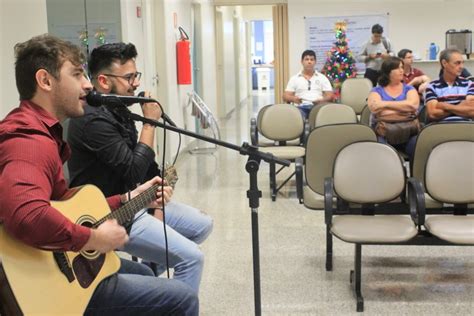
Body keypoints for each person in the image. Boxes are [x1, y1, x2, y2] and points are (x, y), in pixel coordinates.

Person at [0, 34, 198, 315]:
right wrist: (90, 239)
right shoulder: (29, 140)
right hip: (42, 279)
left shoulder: (44, 131)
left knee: (145, 276)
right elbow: (26, 214)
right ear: (45, 81)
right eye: (77, 74)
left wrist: (129, 198)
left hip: (56, 259)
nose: (87, 84)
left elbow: (63, 208)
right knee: (182, 297)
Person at [67, 42, 213, 294]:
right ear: (103, 81)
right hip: (114, 214)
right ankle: (175, 304)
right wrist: (150, 124)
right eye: (129, 77)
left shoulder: (118, 109)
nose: (136, 83)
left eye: (136, 75)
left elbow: (145, 167)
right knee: (192, 259)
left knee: (202, 225)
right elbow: (133, 170)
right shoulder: (93, 120)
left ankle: (151, 278)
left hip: (137, 203)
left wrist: (157, 199)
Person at [367, 56, 420, 157]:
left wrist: (384, 104)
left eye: (402, 67)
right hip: (384, 133)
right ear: (388, 72)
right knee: (382, 151)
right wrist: (404, 109)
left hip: (409, 132)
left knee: (417, 146)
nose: (401, 70)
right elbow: (374, 109)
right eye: (397, 68)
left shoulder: (409, 88)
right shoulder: (376, 90)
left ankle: (414, 173)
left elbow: (413, 105)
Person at [425, 48, 474, 122]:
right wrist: (461, 106)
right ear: (444, 63)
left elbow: (472, 111)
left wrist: (445, 106)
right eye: (457, 63)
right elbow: (433, 114)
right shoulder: (432, 86)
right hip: (440, 128)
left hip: (466, 126)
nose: (461, 67)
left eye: (462, 63)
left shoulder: (469, 84)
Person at [283, 49, 334, 119]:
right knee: (297, 118)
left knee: (321, 118)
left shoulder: (322, 78)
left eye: (311, 59)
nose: (309, 62)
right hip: (300, 107)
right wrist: (293, 98)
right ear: (302, 62)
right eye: (306, 59)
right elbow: (285, 96)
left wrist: (322, 100)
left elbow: (330, 95)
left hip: (317, 107)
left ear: (315, 62)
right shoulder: (294, 78)